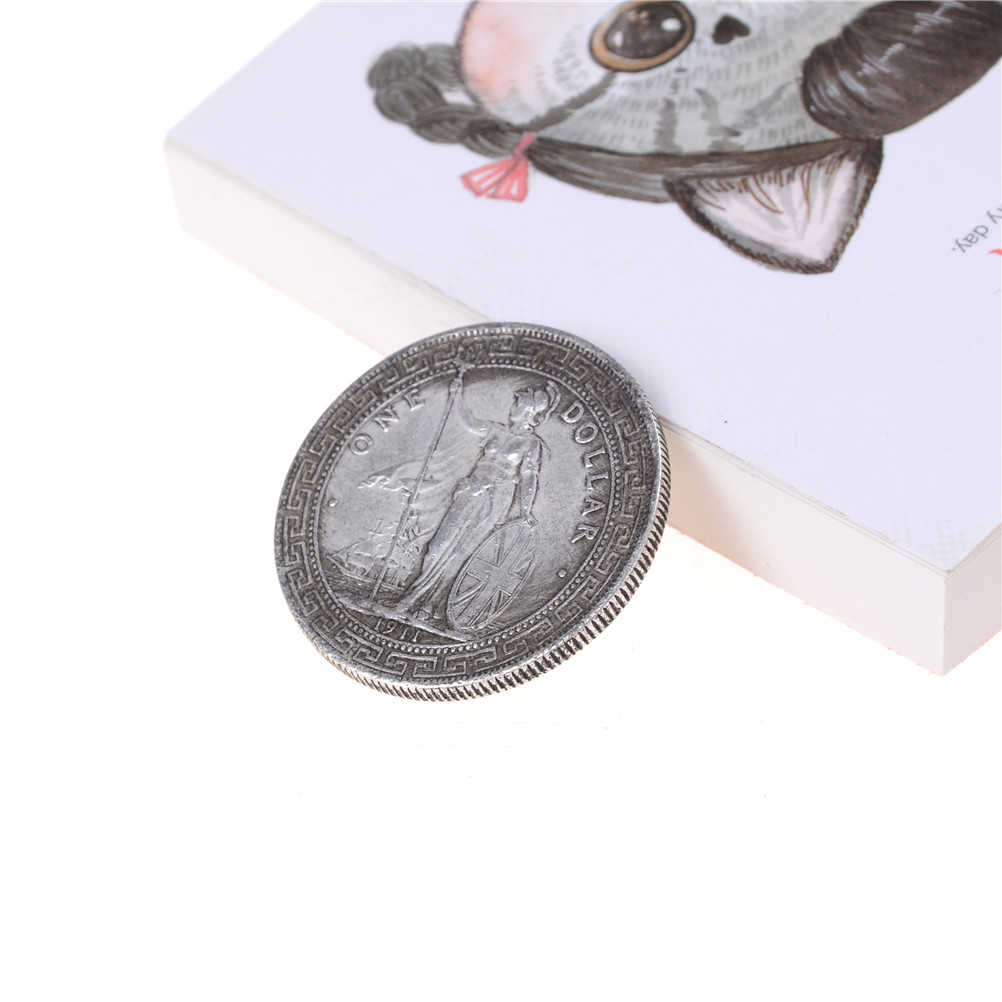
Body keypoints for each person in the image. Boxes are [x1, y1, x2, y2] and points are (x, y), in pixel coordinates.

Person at [398, 377, 559, 627]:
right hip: (471, 489)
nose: (513, 407)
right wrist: (456, 395)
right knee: (438, 546)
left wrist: (526, 510)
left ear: (528, 412)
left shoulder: (531, 444)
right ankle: (411, 597)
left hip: (496, 497)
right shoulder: (496, 430)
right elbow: (469, 422)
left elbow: (529, 477)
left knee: (463, 551)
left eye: (518, 404)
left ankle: (433, 605)